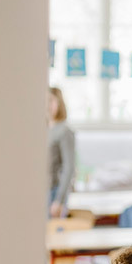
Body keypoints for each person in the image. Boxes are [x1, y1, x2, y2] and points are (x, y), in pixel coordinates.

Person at [47, 86, 76, 217]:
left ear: (59, 103)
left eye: (51, 101)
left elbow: (69, 168)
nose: (47, 105)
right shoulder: (44, 129)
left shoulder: (64, 132)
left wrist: (59, 201)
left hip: (54, 192)